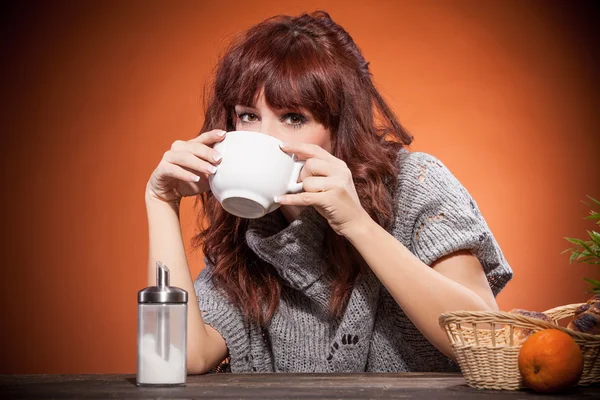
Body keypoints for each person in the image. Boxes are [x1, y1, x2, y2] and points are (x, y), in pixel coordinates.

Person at [145, 10, 513, 374]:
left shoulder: (414, 184)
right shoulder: (252, 229)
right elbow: (180, 357)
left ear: (339, 129)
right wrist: (161, 201)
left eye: (293, 118)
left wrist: (359, 225)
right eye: (248, 116)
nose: (264, 139)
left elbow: (485, 336)